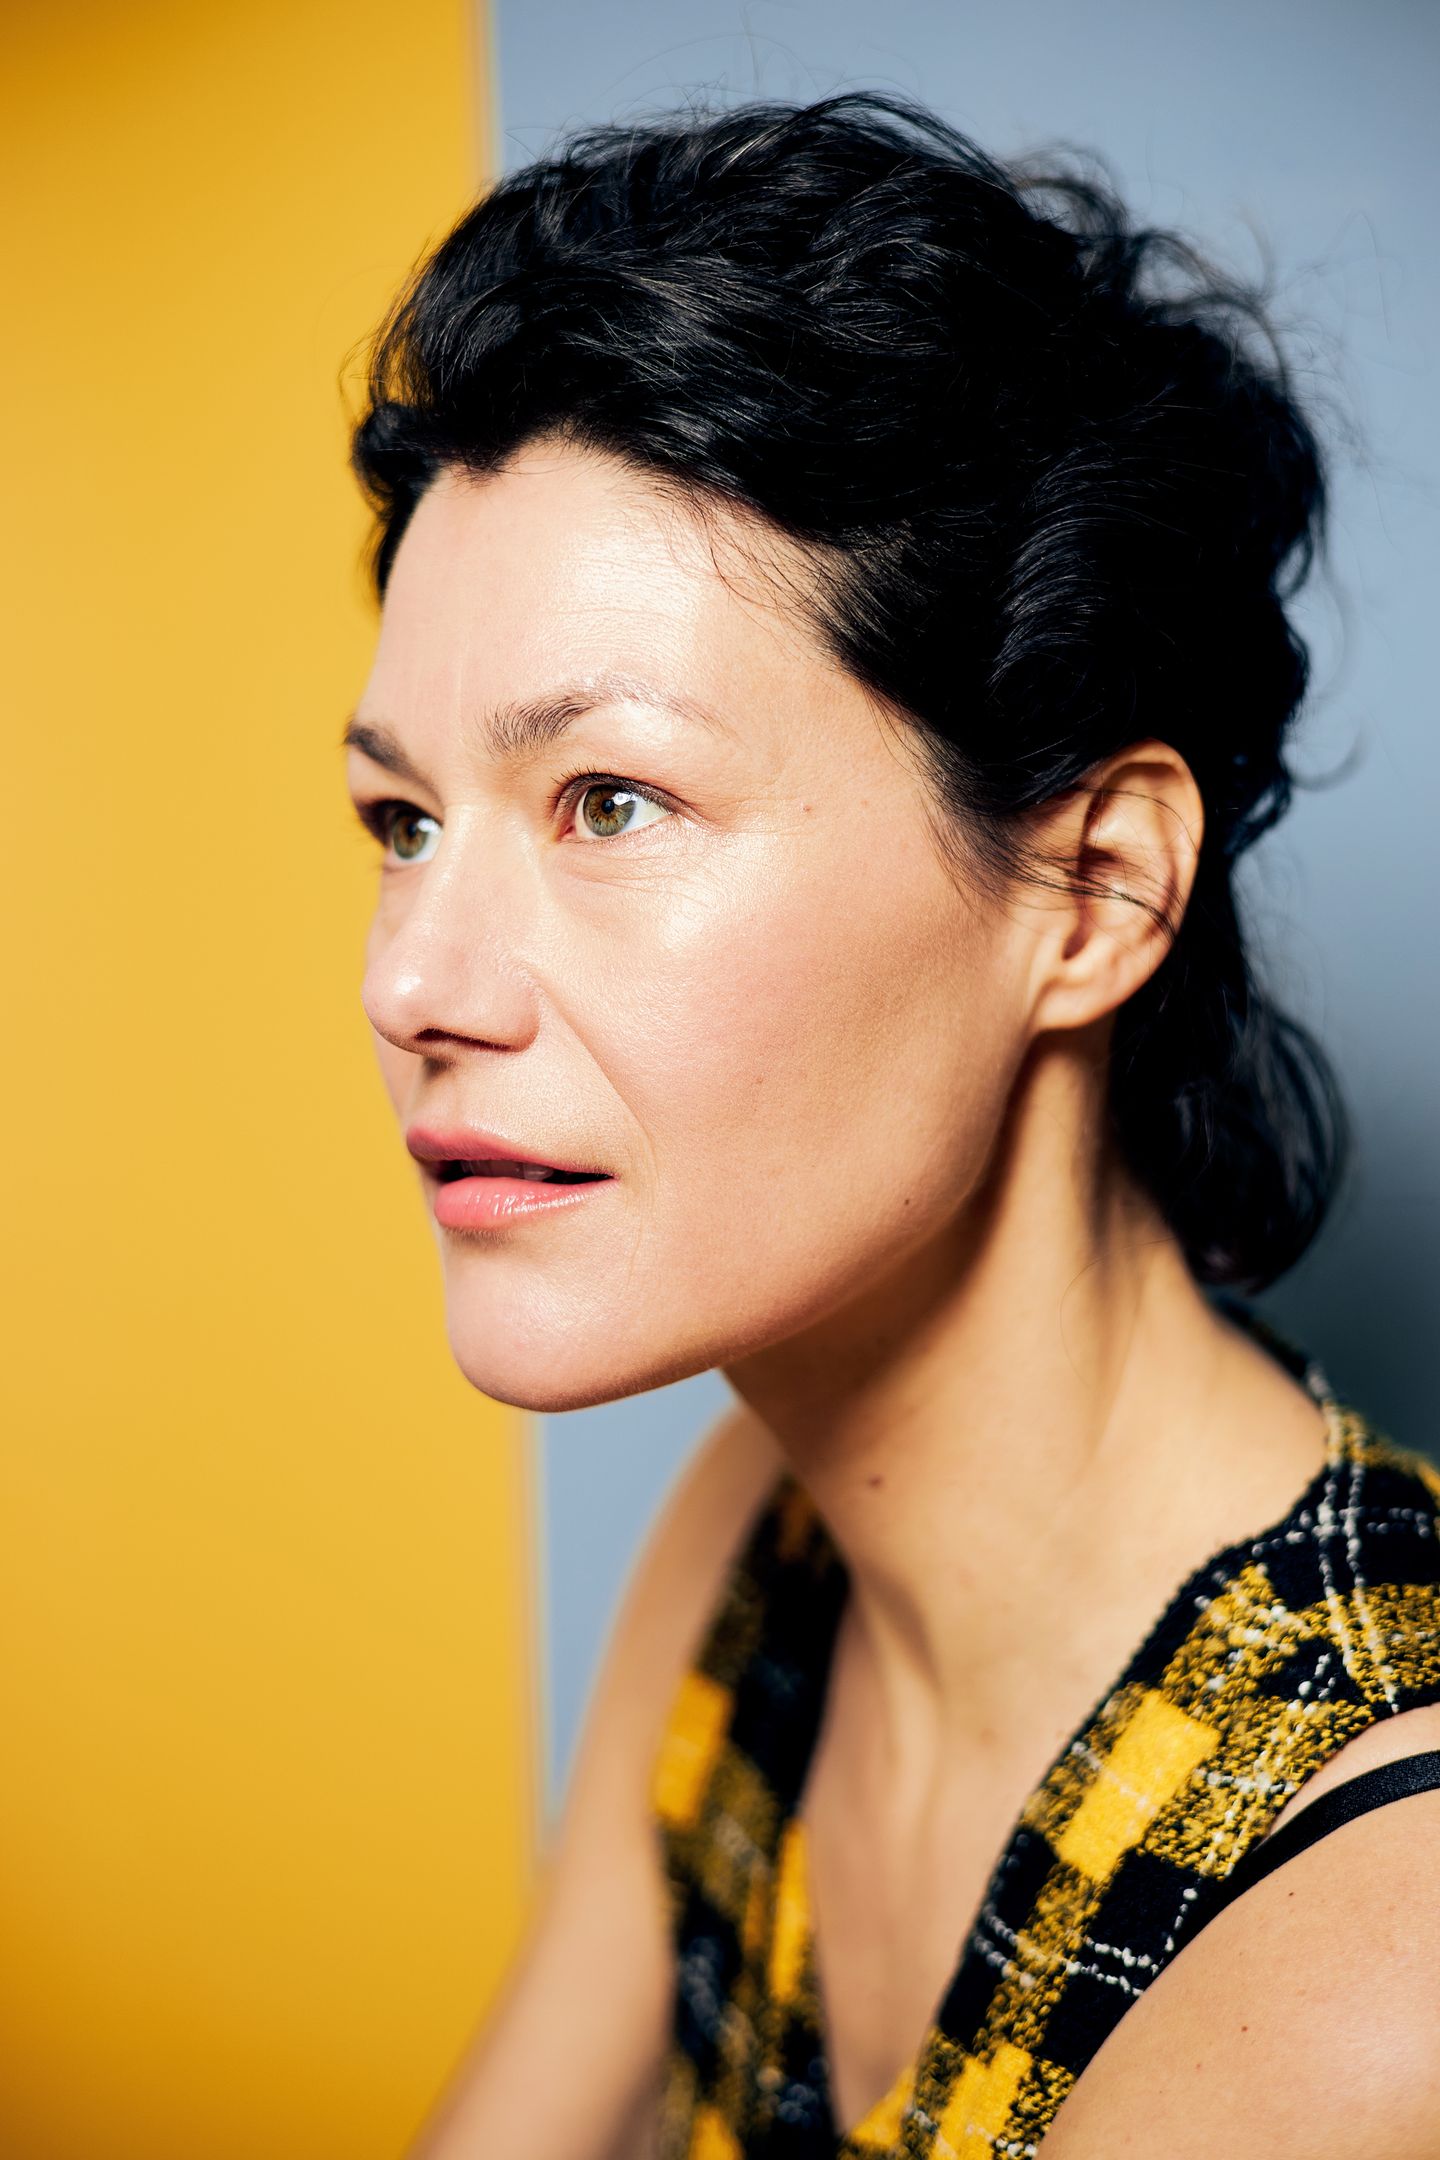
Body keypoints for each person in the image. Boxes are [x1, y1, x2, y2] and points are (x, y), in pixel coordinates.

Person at [340, 91, 1440, 2159]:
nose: (414, 983)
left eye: (609, 802)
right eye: (403, 821)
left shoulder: (1381, 1956)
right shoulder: (756, 1543)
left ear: (1093, 890)